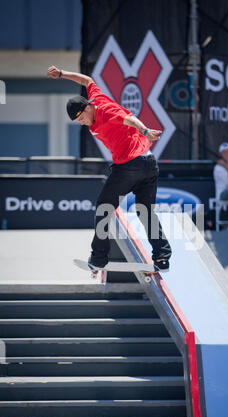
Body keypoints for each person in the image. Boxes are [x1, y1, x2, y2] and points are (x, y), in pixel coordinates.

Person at [47, 65, 171, 271]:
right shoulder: (95, 98)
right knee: (145, 211)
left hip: (130, 165)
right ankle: (162, 257)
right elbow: (86, 80)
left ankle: (98, 257)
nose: (82, 124)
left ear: (87, 109)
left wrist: (145, 130)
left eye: (81, 119)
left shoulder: (105, 110)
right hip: (149, 164)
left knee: (104, 206)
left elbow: (129, 118)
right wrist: (61, 74)